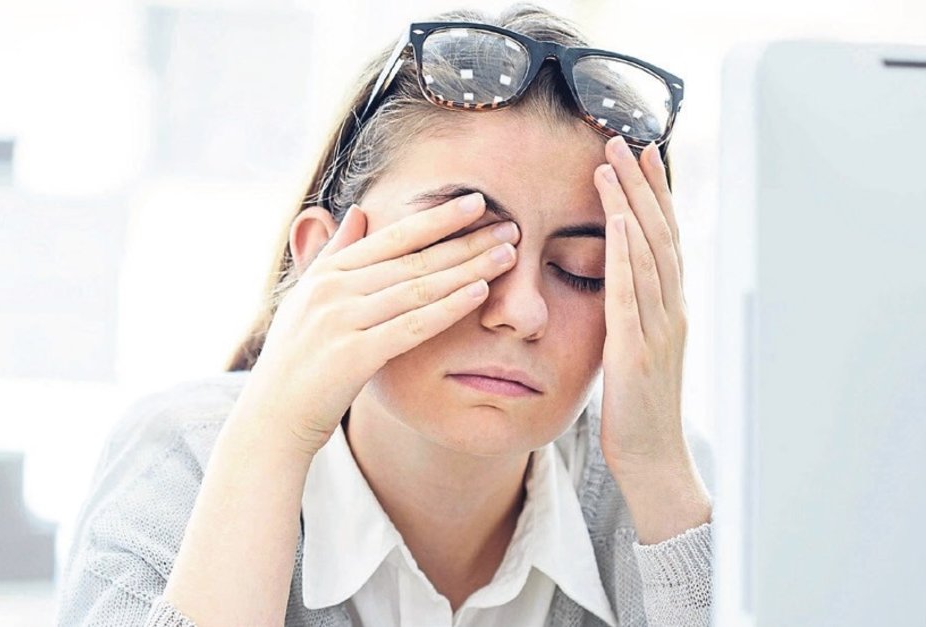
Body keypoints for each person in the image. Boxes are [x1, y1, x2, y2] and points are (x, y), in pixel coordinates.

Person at [56, 3, 713, 626]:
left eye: (582, 269)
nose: (521, 312)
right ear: (322, 260)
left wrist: (658, 473)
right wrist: (274, 435)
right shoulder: (180, 458)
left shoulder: (670, 488)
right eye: (461, 243)